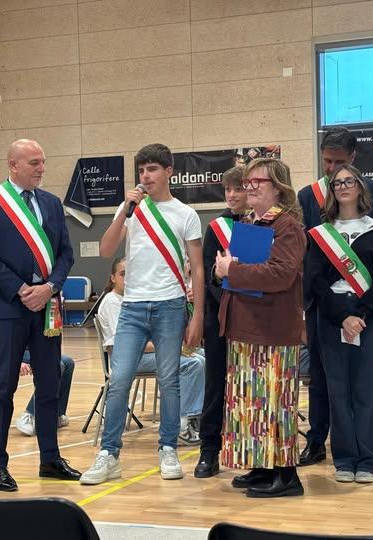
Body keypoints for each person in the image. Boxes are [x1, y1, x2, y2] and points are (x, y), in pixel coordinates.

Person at [80, 143, 204, 485]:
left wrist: (197, 315)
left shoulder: (185, 214)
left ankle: (168, 448)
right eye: (141, 170)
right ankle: (109, 454)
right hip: (132, 307)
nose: (145, 176)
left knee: (170, 380)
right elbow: (106, 249)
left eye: (152, 169)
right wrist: (124, 211)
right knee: (119, 379)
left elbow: (197, 268)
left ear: (169, 172)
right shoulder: (131, 209)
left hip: (170, 305)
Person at [0, 139, 80, 492]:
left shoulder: (51, 203)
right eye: (34, 162)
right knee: (4, 386)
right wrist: (21, 289)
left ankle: (50, 459)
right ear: (13, 165)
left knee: (49, 382)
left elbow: (65, 254)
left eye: (43, 161)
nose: (42, 168)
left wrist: (50, 287)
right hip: (8, 307)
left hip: (47, 306)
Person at [297, 127, 373, 468]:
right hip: (323, 302)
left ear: (353, 158)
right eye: (326, 161)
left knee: (369, 377)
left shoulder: (372, 190)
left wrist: (361, 307)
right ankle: (318, 440)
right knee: (322, 377)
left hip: (363, 299)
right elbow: (308, 252)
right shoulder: (307, 195)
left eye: (338, 162)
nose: (331, 169)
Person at [214, 158, 306, 498]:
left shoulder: (287, 226)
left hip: (272, 329)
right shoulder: (251, 222)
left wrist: (232, 270)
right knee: (252, 403)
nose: (249, 187)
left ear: (278, 187)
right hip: (246, 325)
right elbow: (238, 271)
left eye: (257, 182)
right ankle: (263, 467)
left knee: (275, 403)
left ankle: (287, 475)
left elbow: (281, 274)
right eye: (247, 182)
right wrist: (222, 270)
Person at [96, 257, 205, 445]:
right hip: (129, 360)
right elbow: (123, 345)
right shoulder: (113, 302)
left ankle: (197, 416)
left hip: (148, 354)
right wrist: (171, 347)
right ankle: (182, 425)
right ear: (113, 277)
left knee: (202, 356)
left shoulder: (134, 300)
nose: (128, 279)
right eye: (123, 274)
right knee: (191, 364)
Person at [194, 166, 249, 478]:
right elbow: (207, 274)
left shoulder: (263, 223)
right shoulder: (216, 227)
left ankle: (247, 452)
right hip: (220, 318)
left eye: (238, 189)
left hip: (255, 318)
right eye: (228, 190)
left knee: (249, 388)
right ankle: (209, 450)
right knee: (216, 385)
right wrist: (227, 296)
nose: (232, 195)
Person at [15, 351, 75, 436]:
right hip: (16, 351)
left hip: (34, 348)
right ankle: (29, 414)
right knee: (56, 365)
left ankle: (57, 414)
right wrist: (18, 361)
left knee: (68, 363)